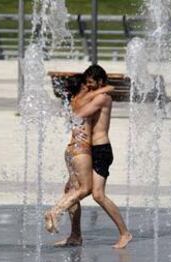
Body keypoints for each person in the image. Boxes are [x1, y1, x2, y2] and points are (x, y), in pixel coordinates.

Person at [47, 65, 132, 249]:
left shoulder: (103, 97)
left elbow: (78, 114)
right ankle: (75, 235)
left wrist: (100, 90)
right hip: (87, 149)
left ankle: (125, 233)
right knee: (71, 189)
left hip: (101, 149)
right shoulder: (97, 94)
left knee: (98, 195)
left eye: (93, 84)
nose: (90, 88)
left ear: (101, 82)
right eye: (87, 84)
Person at [44, 74, 113, 238]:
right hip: (81, 150)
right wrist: (100, 87)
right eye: (86, 84)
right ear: (82, 87)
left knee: (72, 190)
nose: (89, 87)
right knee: (85, 189)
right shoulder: (86, 97)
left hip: (71, 149)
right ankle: (54, 211)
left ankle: (75, 236)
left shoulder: (74, 99)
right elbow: (109, 89)